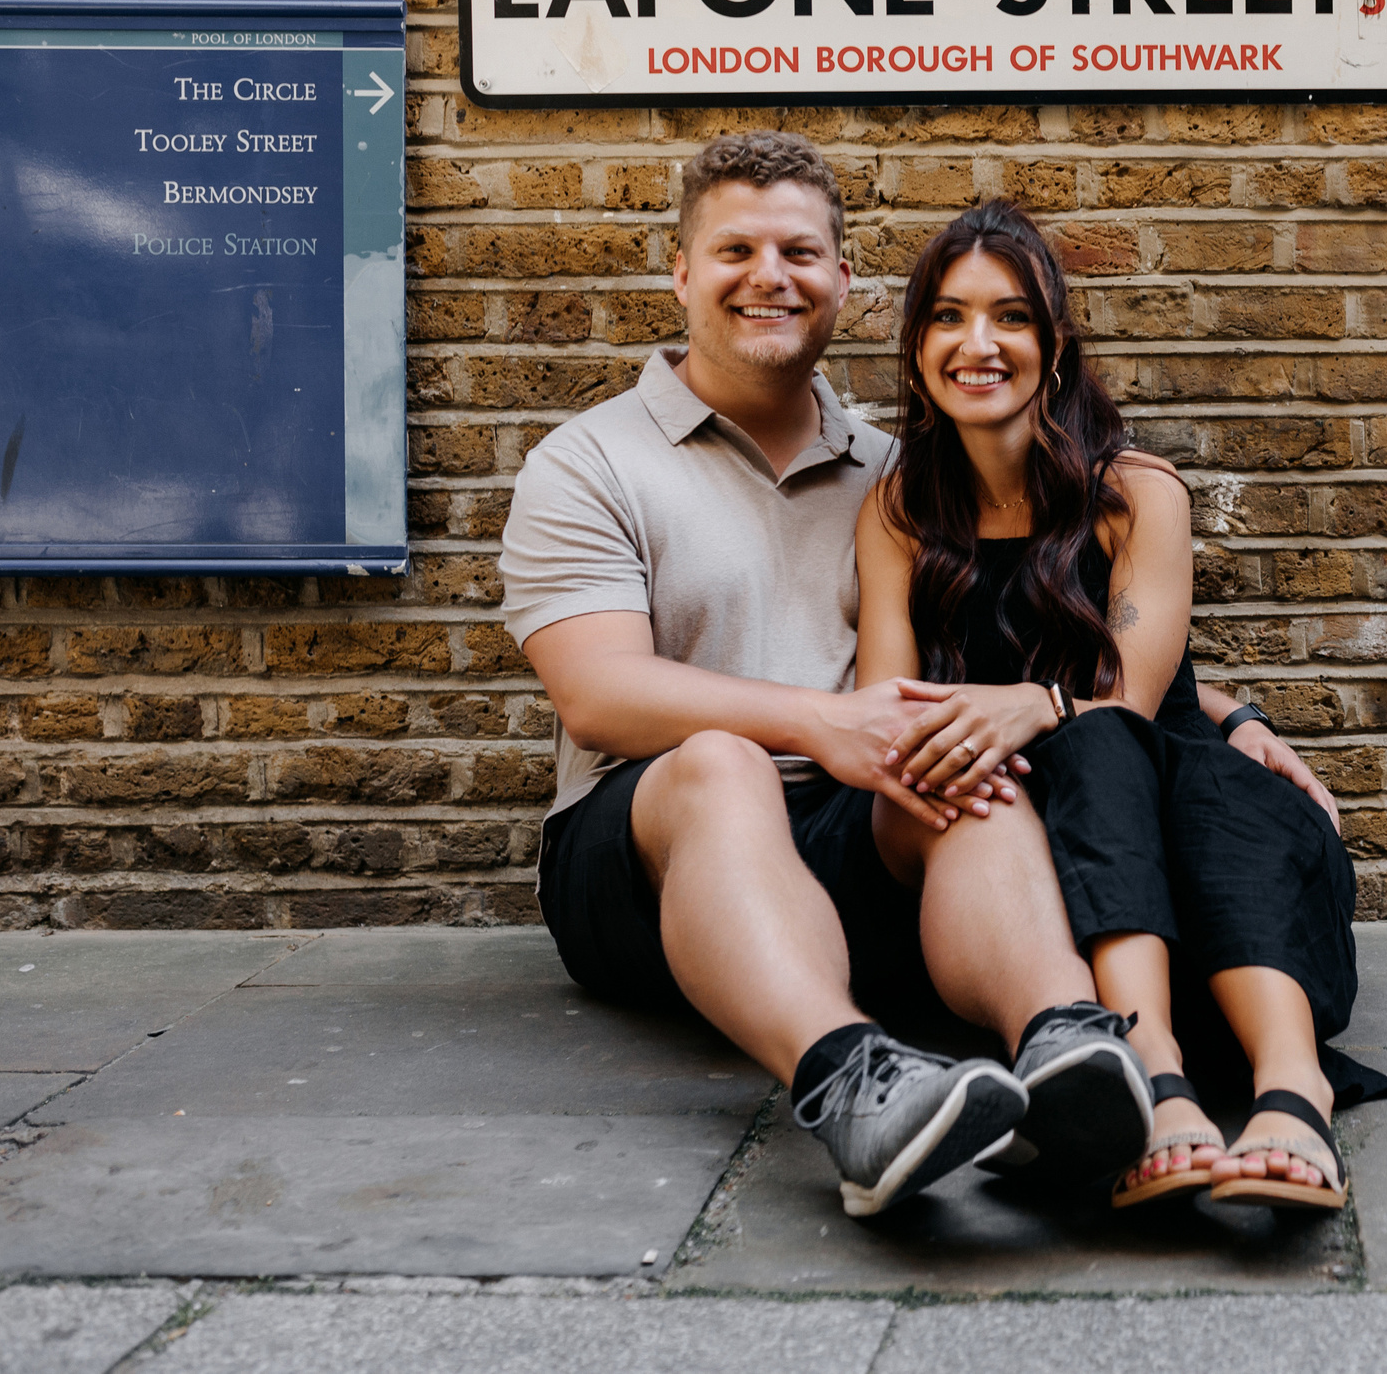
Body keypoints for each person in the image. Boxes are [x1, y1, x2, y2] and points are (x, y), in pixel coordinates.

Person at [497, 132, 1331, 1216]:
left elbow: (1015, 633)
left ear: (843, 281)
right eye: (734, 249)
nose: (768, 276)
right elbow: (597, 693)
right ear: (682, 274)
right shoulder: (590, 462)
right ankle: (851, 1082)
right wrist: (821, 724)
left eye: (799, 251)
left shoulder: (898, 472)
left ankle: (1071, 1049)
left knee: (960, 767)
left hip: (856, 822)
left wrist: (1212, 713)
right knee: (724, 765)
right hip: (645, 849)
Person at [855, 200, 1387, 1215]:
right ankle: (1160, 1078)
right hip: (1023, 848)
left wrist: (1039, 707)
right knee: (1101, 750)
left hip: (1167, 805)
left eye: (1010, 318)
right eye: (947, 317)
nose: (979, 345)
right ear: (917, 345)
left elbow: (1133, 700)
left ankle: (1293, 1089)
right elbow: (889, 706)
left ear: (1054, 348)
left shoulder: (1134, 492)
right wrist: (993, 730)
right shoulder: (898, 513)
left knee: (1177, 774)